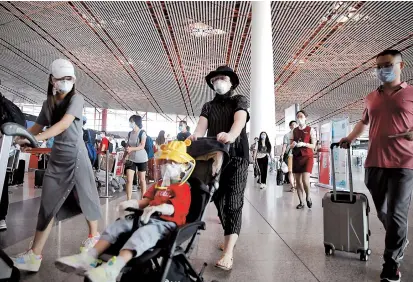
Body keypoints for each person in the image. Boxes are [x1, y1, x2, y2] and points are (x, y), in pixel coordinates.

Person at [55, 140, 194, 282]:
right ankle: (89, 256)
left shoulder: (183, 187)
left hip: (166, 224)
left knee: (143, 233)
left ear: (183, 166)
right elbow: (145, 201)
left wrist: (158, 208)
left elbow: (175, 208)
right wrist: (131, 203)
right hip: (147, 217)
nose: (166, 166)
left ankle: (114, 268)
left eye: (172, 162)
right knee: (119, 224)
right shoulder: (159, 185)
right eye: (164, 161)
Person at [12, 59, 101, 272]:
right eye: (61, 79)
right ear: (52, 80)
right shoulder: (48, 104)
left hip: (76, 156)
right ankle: (34, 255)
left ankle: (94, 238)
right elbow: (35, 127)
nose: (65, 82)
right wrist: (21, 137)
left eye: (69, 78)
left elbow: (64, 124)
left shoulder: (76, 99)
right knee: (48, 204)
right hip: (58, 157)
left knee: (86, 196)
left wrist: (38, 139)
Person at [339, 49, 413, 282]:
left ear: (401, 66)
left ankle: (391, 262)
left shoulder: (411, 93)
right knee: (383, 211)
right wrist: (350, 138)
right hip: (374, 162)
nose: (382, 69)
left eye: (387, 64)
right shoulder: (371, 96)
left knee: (397, 213)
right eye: (379, 66)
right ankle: (397, 235)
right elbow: (364, 121)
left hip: (404, 162)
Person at [189, 65, 249, 271]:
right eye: (215, 80)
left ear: (231, 81)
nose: (218, 82)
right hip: (214, 157)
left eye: (222, 78)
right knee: (219, 200)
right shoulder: (207, 105)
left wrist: (231, 135)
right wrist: (194, 135)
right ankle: (229, 235)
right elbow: (201, 126)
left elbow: (239, 120)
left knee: (233, 201)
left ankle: (228, 252)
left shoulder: (239, 100)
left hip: (237, 156)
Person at [290, 110, 316, 209]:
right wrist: (293, 145)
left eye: (301, 116)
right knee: (298, 181)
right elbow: (291, 144)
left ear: (305, 117)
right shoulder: (294, 131)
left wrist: (304, 144)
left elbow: (313, 145)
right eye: (298, 117)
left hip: (307, 157)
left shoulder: (311, 130)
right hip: (297, 156)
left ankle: (308, 197)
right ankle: (301, 202)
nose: (299, 118)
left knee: (305, 180)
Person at [123, 115, 148, 200]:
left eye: (131, 121)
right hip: (131, 159)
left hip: (142, 159)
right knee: (129, 180)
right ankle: (128, 199)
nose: (130, 123)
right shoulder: (130, 133)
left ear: (136, 122)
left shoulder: (142, 133)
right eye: (130, 121)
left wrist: (131, 149)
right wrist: (123, 158)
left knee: (142, 180)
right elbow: (127, 146)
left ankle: (143, 198)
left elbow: (142, 146)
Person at [281, 120, 297, 192]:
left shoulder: (299, 135)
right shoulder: (287, 135)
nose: (294, 126)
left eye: (295, 124)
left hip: (298, 156)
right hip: (290, 155)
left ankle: (296, 184)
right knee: (290, 171)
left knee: (296, 172)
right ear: (290, 126)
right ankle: (293, 186)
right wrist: (282, 154)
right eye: (293, 124)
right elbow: (284, 145)